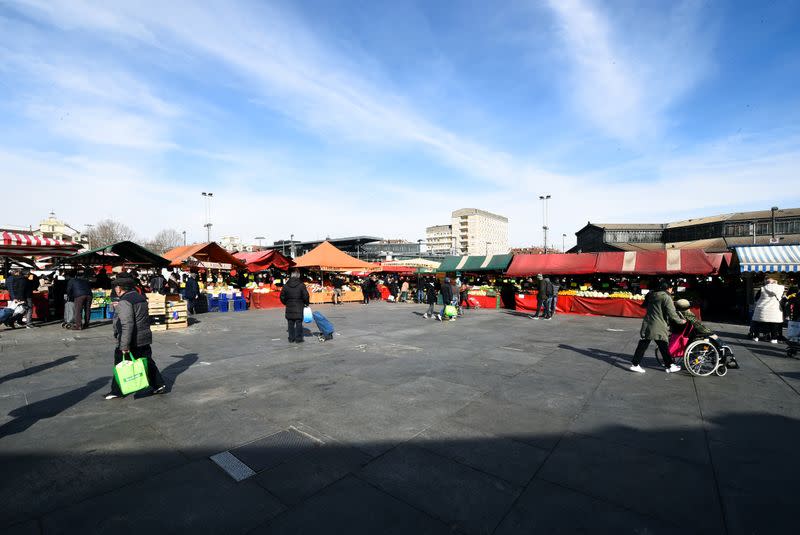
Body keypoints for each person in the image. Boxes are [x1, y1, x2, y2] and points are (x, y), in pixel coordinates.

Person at [105, 277, 166, 399]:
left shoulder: (125, 302)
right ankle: (159, 384)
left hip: (131, 339)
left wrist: (124, 345)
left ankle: (117, 391)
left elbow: (127, 324)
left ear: (119, 288)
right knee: (147, 361)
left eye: (116, 287)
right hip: (144, 336)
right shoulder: (140, 298)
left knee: (120, 364)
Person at [630, 281, 686, 373]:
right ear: (667, 288)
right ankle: (670, 365)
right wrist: (681, 321)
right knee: (662, 345)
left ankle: (635, 364)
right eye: (671, 288)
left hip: (648, 323)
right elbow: (672, 313)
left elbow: (644, 306)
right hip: (658, 325)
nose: (672, 290)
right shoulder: (666, 297)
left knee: (644, 344)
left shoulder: (651, 294)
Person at [674, 299, 737, 367]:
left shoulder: (678, 314)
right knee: (717, 341)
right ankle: (726, 358)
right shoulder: (688, 315)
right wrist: (710, 332)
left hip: (688, 335)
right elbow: (699, 326)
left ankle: (724, 356)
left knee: (714, 340)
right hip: (698, 335)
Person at [749, 278, 786, 343]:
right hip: (775, 309)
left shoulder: (762, 288)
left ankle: (756, 337)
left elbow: (756, 298)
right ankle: (774, 339)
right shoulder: (780, 289)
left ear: (767, 282)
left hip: (762, 309)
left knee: (758, 323)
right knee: (774, 324)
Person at [280, 270, 310, 343]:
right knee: (299, 323)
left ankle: (291, 338)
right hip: (299, 306)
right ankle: (298, 339)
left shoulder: (286, 285)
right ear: (298, 276)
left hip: (289, 306)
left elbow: (282, 296)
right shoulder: (301, 285)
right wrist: (306, 303)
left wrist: (286, 303)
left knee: (290, 323)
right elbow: (306, 296)